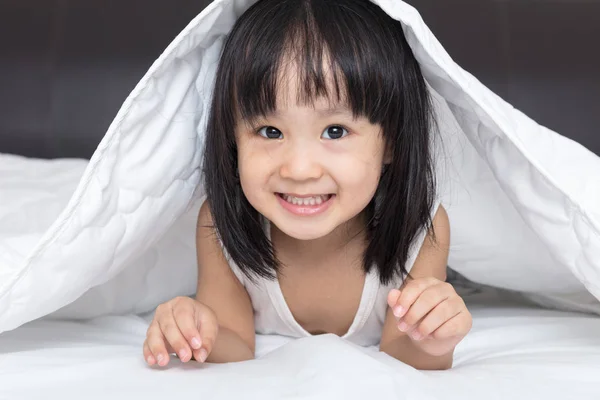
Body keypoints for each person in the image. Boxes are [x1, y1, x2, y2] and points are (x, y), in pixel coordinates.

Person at [143, 0, 472, 371]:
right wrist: (196, 330)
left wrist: (436, 341)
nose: (299, 170)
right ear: (233, 138)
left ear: (391, 142)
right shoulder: (222, 223)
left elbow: (402, 355)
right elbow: (233, 343)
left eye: (335, 131)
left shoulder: (420, 230)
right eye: (270, 131)